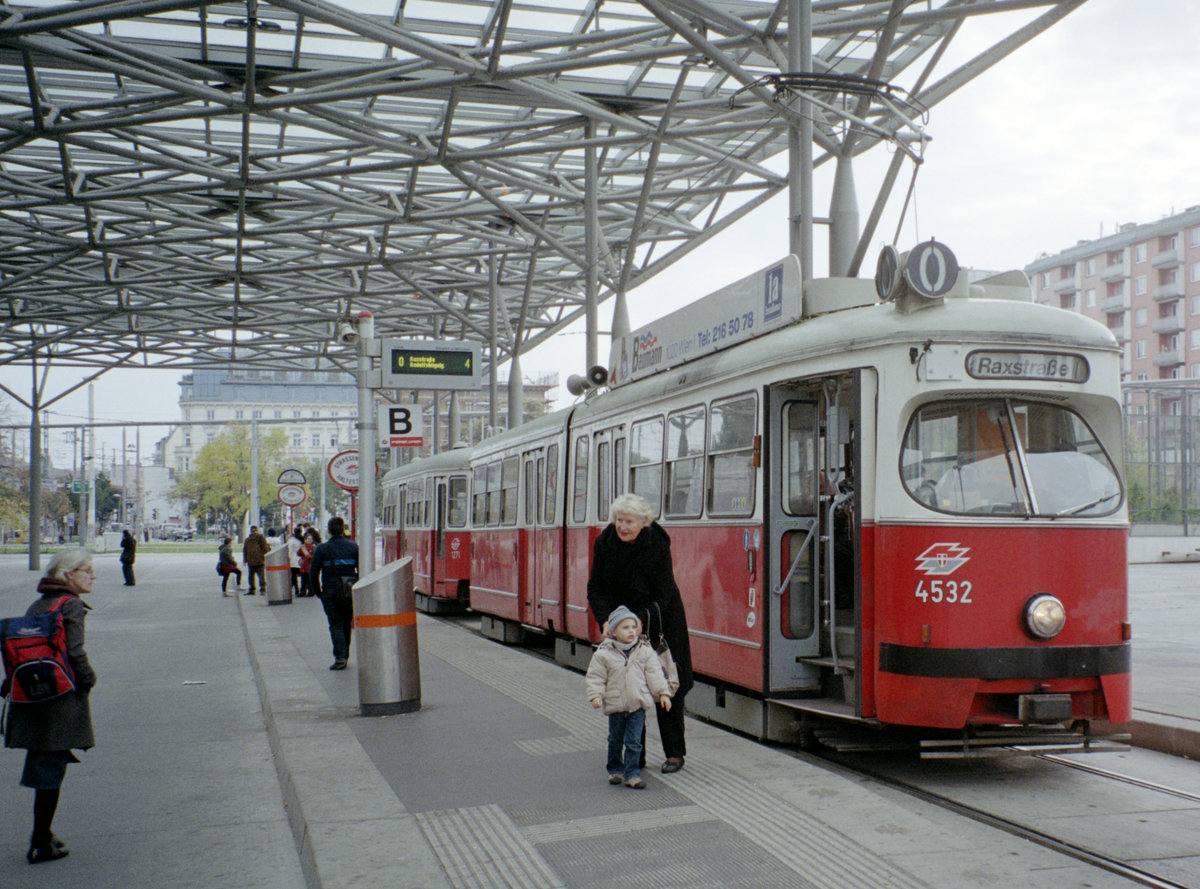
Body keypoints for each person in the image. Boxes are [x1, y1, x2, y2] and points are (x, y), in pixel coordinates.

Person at [3, 548, 98, 865]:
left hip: (34, 694)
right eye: (87, 569)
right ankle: (41, 840)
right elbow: (75, 651)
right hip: (59, 698)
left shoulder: (40, 602)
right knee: (49, 769)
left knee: (46, 764)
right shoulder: (69, 604)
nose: (92, 575)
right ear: (68, 575)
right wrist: (87, 680)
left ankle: (43, 835)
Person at [587, 493, 693, 773]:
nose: (623, 526)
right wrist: (606, 620)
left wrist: (641, 619)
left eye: (629, 521)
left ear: (643, 522)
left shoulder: (657, 543)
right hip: (622, 624)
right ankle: (637, 755)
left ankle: (675, 753)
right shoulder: (605, 543)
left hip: (661, 619)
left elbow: (665, 591)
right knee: (629, 686)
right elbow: (595, 588)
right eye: (619, 520)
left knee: (668, 683)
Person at [585, 605, 673, 789]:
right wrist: (596, 696)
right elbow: (596, 677)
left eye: (634, 627)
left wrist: (663, 693)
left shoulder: (645, 651)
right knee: (615, 740)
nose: (631, 631)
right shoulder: (603, 654)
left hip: (638, 705)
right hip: (616, 705)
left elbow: (655, 674)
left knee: (634, 741)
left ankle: (632, 773)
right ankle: (615, 769)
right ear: (613, 632)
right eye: (625, 628)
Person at [309, 517, 359, 670]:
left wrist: (318, 592)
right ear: (343, 529)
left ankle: (340, 657)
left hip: (330, 591)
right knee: (345, 623)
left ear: (329, 531)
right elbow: (362, 568)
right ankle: (345, 654)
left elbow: (313, 572)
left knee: (335, 623)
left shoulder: (322, 549)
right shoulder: (353, 547)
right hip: (348, 591)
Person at [242, 525, 269, 596]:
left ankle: (263, 589)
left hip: (259, 560)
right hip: (251, 561)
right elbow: (245, 550)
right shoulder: (247, 540)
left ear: (257, 531)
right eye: (253, 531)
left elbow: (265, 548)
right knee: (251, 576)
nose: (254, 532)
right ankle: (252, 589)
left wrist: (263, 556)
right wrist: (245, 559)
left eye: (255, 531)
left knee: (261, 576)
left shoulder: (261, 538)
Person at [297, 529, 317, 597]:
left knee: (309, 580)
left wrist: (309, 556)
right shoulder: (303, 546)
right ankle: (303, 591)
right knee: (303, 580)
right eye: (308, 539)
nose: (309, 541)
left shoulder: (313, 547)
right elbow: (298, 553)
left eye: (310, 539)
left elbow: (314, 557)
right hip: (304, 566)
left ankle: (311, 591)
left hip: (310, 566)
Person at [287, 527, 303, 596]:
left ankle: (295, 589)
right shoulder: (302, 539)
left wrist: (288, 558)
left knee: (293, 575)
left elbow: (289, 550)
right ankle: (300, 589)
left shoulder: (291, 540)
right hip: (301, 559)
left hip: (293, 559)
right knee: (302, 575)